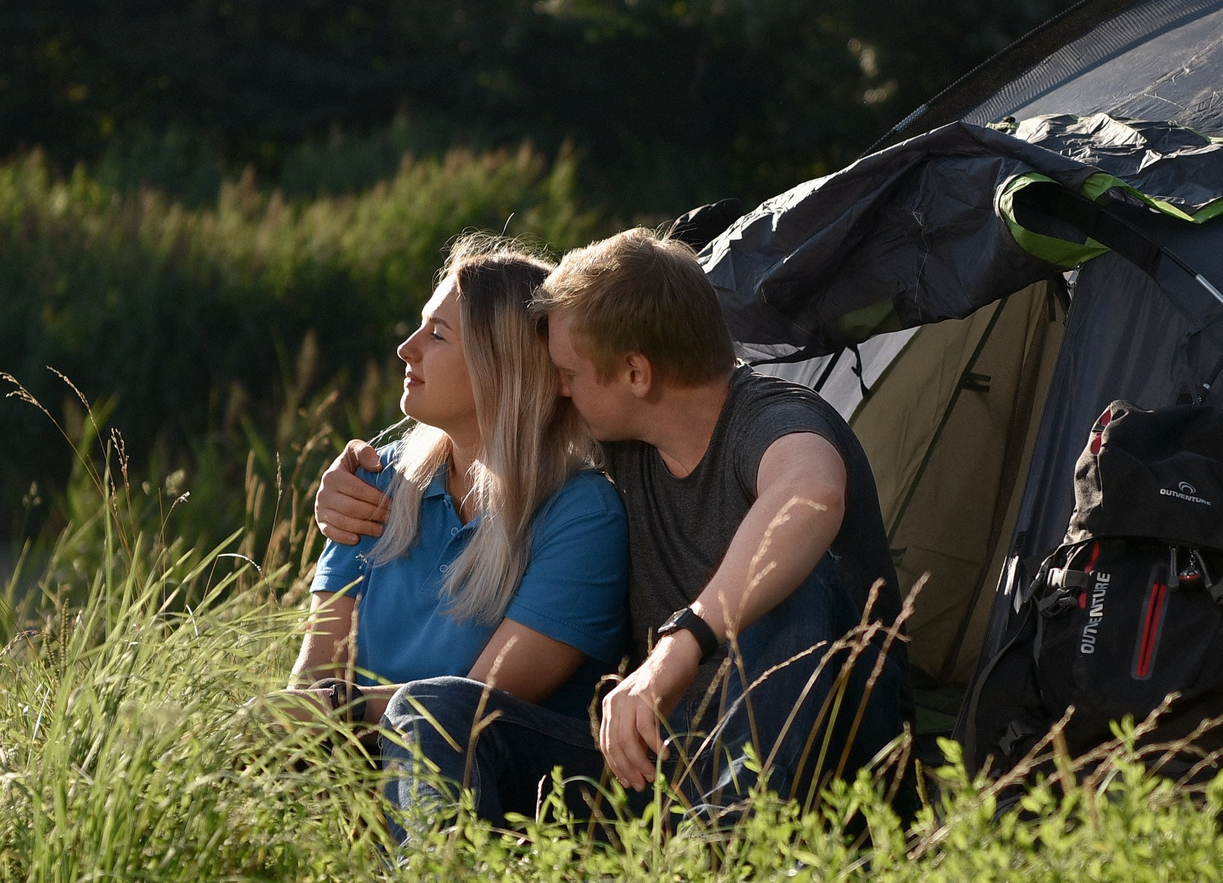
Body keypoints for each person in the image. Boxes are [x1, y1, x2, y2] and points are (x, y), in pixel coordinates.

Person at [317, 226, 905, 818]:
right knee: (438, 709)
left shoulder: (775, 418)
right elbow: (498, 439)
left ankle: (736, 861)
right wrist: (346, 482)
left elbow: (811, 496)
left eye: (569, 375)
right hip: (657, 771)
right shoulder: (626, 443)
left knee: (797, 580)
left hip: (822, 767)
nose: (558, 392)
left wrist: (680, 646)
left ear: (636, 374)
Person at [286, 234, 627, 824]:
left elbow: (466, 712)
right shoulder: (372, 483)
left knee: (433, 715)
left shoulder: (582, 517)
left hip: (518, 813)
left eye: (437, 334)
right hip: (355, 794)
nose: (406, 348)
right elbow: (314, 676)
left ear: (502, 368)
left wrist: (330, 711)